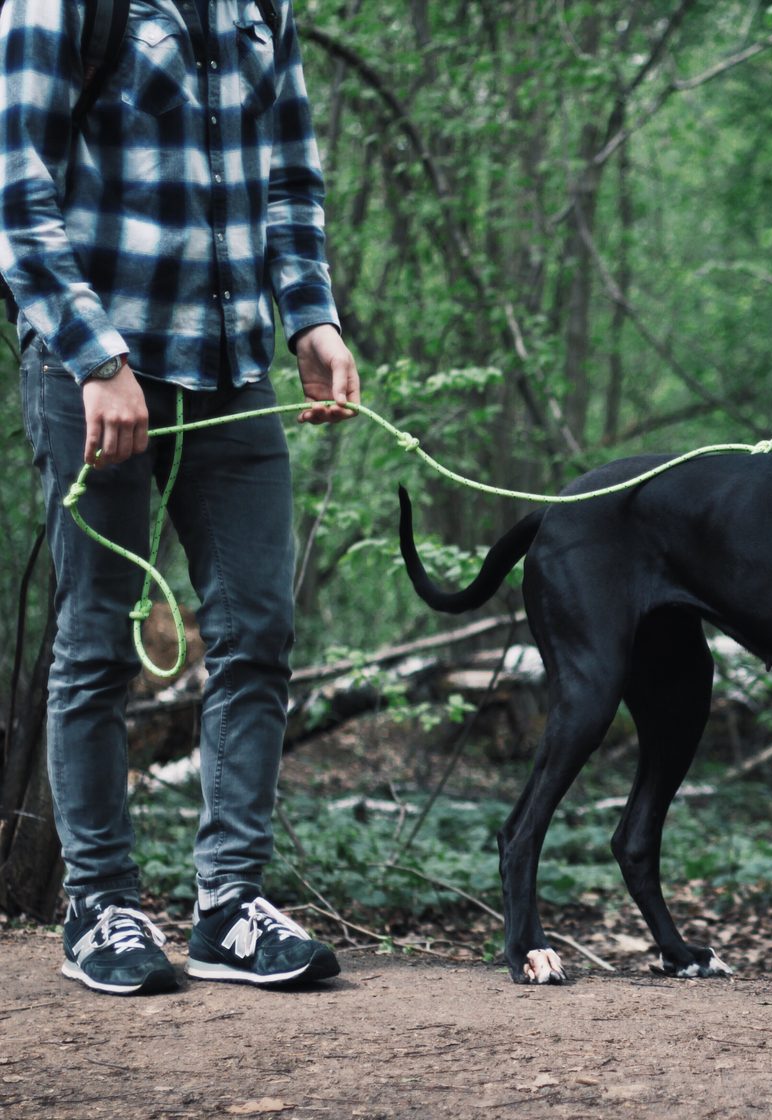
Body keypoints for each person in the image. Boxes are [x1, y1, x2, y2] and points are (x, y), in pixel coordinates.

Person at [0, 0, 359, 993]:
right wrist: (93, 355)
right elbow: (18, 190)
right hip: (93, 370)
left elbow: (290, 173)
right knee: (96, 639)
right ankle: (100, 904)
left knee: (259, 625)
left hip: (231, 366)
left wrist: (311, 316)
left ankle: (228, 905)